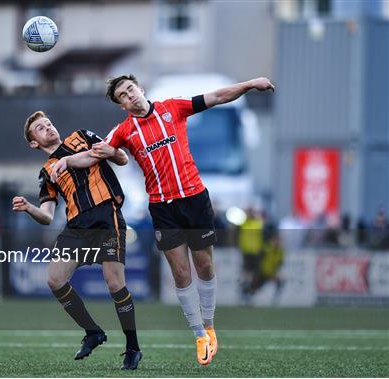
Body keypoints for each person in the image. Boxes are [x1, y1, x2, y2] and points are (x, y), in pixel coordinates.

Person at [52, 74, 275, 365]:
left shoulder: (174, 108)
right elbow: (94, 155)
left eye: (130, 89)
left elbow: (217, 97)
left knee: (205, 264)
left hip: (194, 198)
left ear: (140, 89)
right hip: (162, 207)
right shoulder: (124, 131)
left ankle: (209, 324)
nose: (129, 96)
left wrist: (249, 84)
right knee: (181, 273)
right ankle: (199, 334)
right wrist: (67, 160)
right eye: (122, 95)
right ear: (121, 105)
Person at [12, 111, 142, 370]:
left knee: (115, 283)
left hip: (106, 216)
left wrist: (83, 157)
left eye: (48, 123)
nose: (48, 127)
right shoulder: (46, 172)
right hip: (76, 227)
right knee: (54, 279)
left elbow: (116, 156)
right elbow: (47, 216)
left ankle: (132, 348)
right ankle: (93, 332)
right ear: (34, 142)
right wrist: (29, 208)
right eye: (40, 128)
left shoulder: (81, 137)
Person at [238, 207, 264, 304]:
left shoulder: (256, 223)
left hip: (255, 252)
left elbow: (261, 223)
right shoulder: (245, 223)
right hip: (247, 251)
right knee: (247, 272)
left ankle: (248, 291)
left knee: (253, 273)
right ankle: (245, 290)